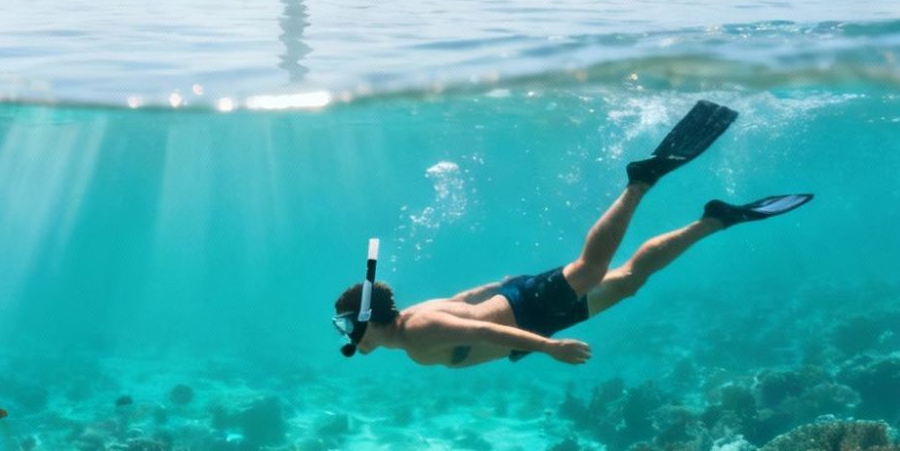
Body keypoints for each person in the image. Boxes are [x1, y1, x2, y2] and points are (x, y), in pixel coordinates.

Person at [332, 101, 811, 368]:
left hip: (529, 313)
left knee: (592, 269)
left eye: (348, 326)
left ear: (368, 320)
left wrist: (549, 348)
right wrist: (500, 289)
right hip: (530, 316)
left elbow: (480, 329)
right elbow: (463, 300)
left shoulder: (417, 333)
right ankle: (715, 219)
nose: (349, 336)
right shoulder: (413, 321)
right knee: (628, 282)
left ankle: (640, 182)